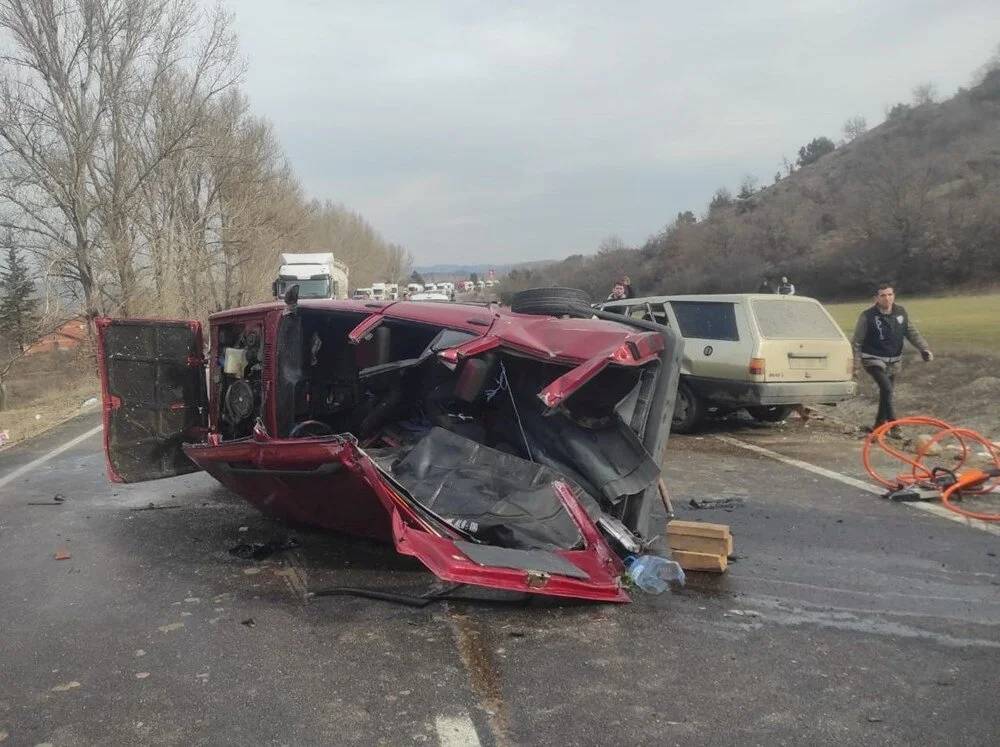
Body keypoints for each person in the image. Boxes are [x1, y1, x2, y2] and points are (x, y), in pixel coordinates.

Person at [851, 282, 933, 437]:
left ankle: (878, 427)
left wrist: (924, 348)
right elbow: (857, 342)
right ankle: (895, 426)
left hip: (894, 361)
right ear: (876, 298)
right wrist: (855, 367)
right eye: (883, 295)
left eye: (889, 294)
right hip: (873, 359)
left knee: (886, 392)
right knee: (887, 389)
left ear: (894, 296)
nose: (887, 298)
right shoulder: (867, 316)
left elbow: (911, 332)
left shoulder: (900, 312)